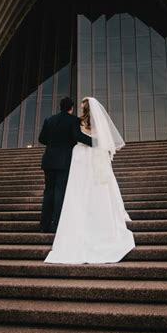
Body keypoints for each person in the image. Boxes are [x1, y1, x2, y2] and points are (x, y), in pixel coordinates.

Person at [44, 96, 135, 264]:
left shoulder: (76, 122)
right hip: (94, 154)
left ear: (83, 109)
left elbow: (76, 136)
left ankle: (62, 222)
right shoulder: (98, 124)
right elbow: (102, 140)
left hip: (81, 156)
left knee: (78, 189)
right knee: (96, 187)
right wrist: (97, 143)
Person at [38, 96, 93, 233]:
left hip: (49, 160)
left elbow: (41, 139)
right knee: (59, 192)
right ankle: (55, 225)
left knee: (48, 192)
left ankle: (43, 225)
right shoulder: (73, 120)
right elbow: (78, 136)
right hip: (63, 161)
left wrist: (53, 144)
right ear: (71, 108)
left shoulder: (49, 120)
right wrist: (96, 143)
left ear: (60, 107)